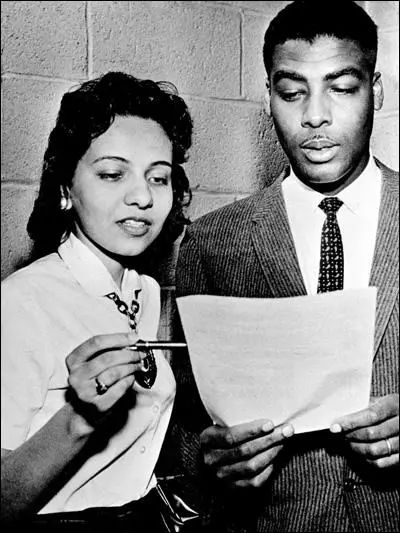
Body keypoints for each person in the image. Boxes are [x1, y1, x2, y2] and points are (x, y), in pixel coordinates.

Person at [173, 1, 399, 531]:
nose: (314, 115)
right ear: (269, 99)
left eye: (341, 88)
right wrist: (212, 459)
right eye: (292, 91)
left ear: (378, 91)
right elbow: (184, 425)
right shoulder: (212, 241)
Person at [1, 71, 198, 532]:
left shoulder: (145, 292)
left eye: (159, 177)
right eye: (112, 173)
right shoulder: (19, 304)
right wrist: (80, 417)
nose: (142, 196)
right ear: (66, 189)